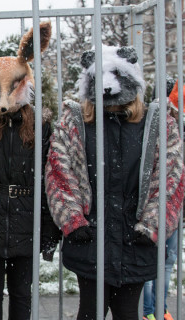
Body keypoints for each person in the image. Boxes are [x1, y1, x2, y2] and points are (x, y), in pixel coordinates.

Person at [45, 45, 184, 320]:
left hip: (135, 240)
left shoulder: (157, 125)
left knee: (126, 312)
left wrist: (152, 224)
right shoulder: (74, 123)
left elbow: (171, 177)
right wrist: (73, 221)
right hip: (89, 239)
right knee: (90, 312)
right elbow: (59, 172)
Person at [0, 22, 61, 320]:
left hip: (26, 221)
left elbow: (49, 179)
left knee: (22, 296)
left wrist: (48, 229)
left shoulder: (41, 126)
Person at [143, 79, 185, 320]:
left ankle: (160, 308)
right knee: (153, 261)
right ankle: (149, 310)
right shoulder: (152, 126)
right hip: (155, 206)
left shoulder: (179, 126)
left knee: (166, 261)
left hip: (174, 207)